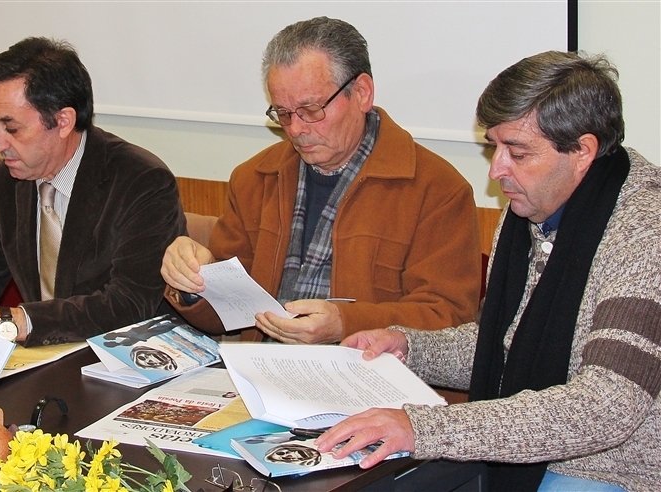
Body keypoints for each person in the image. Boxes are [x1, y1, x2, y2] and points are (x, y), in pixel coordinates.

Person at [314, 51, 660, 492]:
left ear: (582, 151)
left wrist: (424, 428)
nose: (496, 170)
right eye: (494, 146)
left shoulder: (646, 231)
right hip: (536, 455)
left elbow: (606, 406)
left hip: (618, 471)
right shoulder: (530, 213)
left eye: (518, 152)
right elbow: (503, 345)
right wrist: (409, 347)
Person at [161, 17, 480, 344]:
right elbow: (225, 313)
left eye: (311, 110)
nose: (296, 129)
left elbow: (449, 318)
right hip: (261, 365)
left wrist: (346, 324)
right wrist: (194, 282)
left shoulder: (437, 189)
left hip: (366, 369)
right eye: (283, 113)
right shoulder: (255, 179)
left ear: (361, 93)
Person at [0, 37, 186, 346]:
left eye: (11, 128)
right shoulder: (8, 179)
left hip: (127, 356)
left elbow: (128, 304)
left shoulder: (142, 181)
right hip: (47, 355)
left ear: (63, 121)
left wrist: (11, 322)